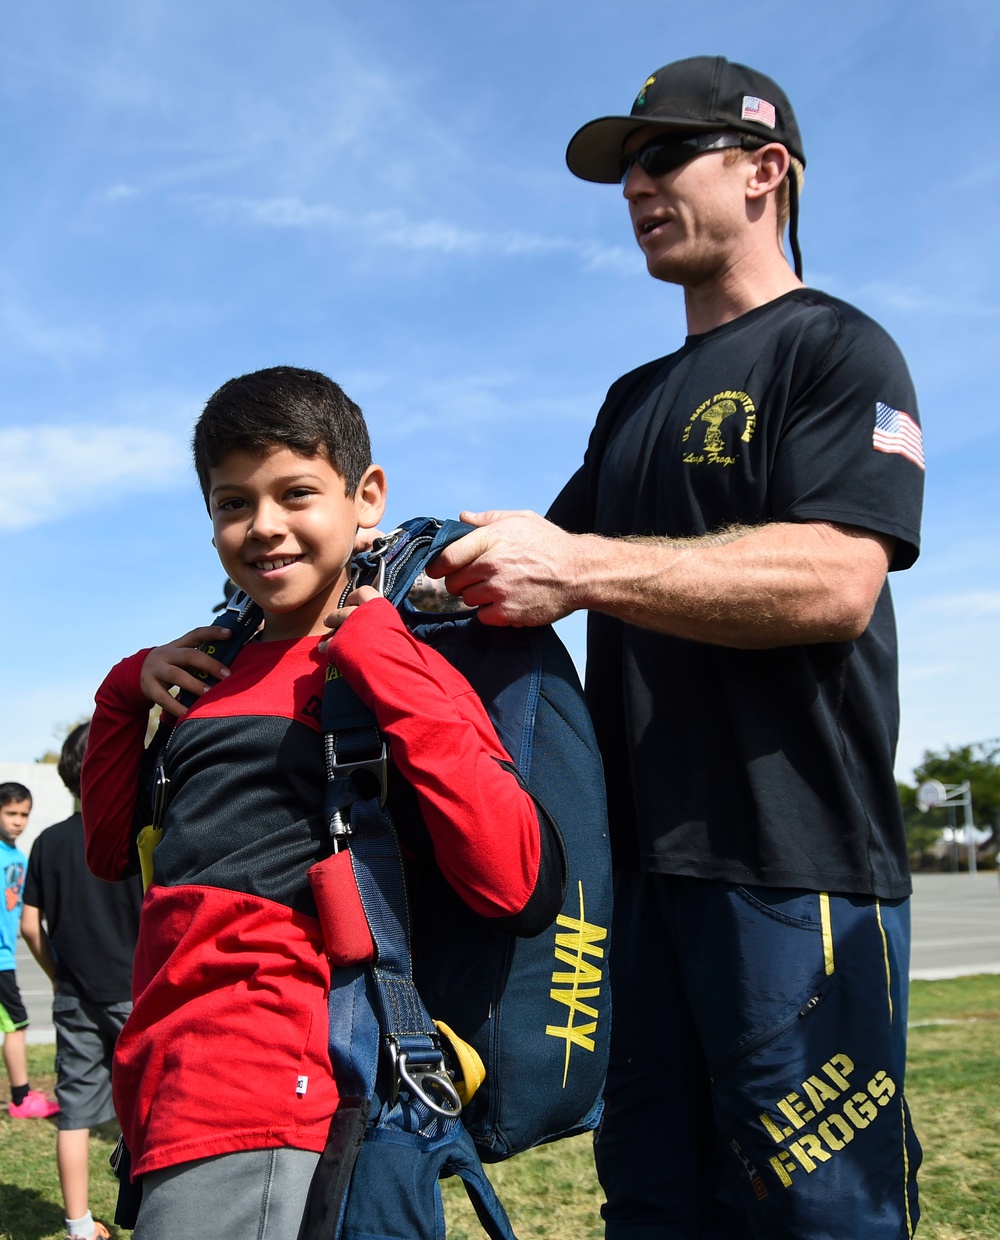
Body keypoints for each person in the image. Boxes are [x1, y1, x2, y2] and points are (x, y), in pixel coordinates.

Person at [429, 56, 925, 1240]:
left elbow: (835, 579)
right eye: (625, 168)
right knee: (650, 1202)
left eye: (663, 155)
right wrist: (322, 574)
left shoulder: (837, 350)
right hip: (630, 885)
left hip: (790, 868)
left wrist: (581, 567)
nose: (634, 185)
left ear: (765, 170)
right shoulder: (632, 398)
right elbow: (519, 571)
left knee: (820, 1216)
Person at [79, 365, 562, 1240]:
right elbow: (112, 852)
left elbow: (516, 882)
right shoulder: (208, 671)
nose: (263, 526)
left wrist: (385, 658)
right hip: (165, 1084)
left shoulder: (400, 659)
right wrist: (123, 695)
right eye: (233, 503)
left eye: (295, 492)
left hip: (277, 1090)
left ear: (365, 496)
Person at [22, 723, 142, 1240]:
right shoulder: (140, 833)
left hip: (74, 995)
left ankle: (77, 1226)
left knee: (75, 1111)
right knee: (154, 1111)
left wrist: (57, 975)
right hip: (141, 995)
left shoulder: (48, 842)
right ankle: (157, 1215)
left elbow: (30, 924)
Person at [1, 780, 60, 1120]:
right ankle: (21, 1098)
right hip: (1, 958)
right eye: (11, 813)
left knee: (15, 1023)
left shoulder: (19, 858)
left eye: (24, 814)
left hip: (7, 956)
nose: (18, 821)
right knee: (17, 1023)